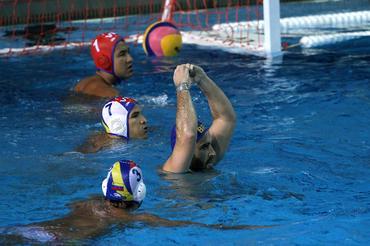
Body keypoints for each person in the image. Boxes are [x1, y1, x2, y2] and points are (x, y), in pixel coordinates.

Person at [2, 160, 270, 243]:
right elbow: (185, 224)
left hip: (30, 228)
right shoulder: (131, 218)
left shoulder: (85, 202)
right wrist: (239, 230)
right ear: (139, 193)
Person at [162, 64, 236, 173]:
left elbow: (226, 119)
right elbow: (188, 136)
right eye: (204, 147)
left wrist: (202, 79)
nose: (213, 153)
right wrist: (182, 86)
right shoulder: (174, 169)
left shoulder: (205, 163)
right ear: (188, 150)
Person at [76, 96, 148, 153]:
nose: (144, 120)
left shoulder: (151, 132)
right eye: (135, 116)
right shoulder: (97, 147)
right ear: (118, 124)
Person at [74, 32, 133, 98]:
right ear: (104, 61)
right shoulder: (111, 95)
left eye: (128, 52)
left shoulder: (82, 84)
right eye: (122, 54)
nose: (130, 59)